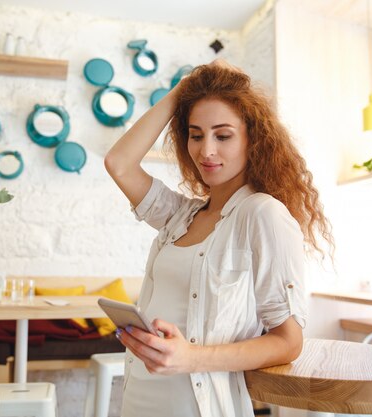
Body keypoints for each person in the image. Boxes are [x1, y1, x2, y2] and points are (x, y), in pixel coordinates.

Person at [104, 60, 332, 417]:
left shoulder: (262, 214)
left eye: (222, 135)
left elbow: (288, 342)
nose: (206, 151)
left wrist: (190, 358)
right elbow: (119, 163)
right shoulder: (181, 216)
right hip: (139, 398)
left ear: (252, 139)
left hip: (196, 405)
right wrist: (187, 87)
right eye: (196, 134)